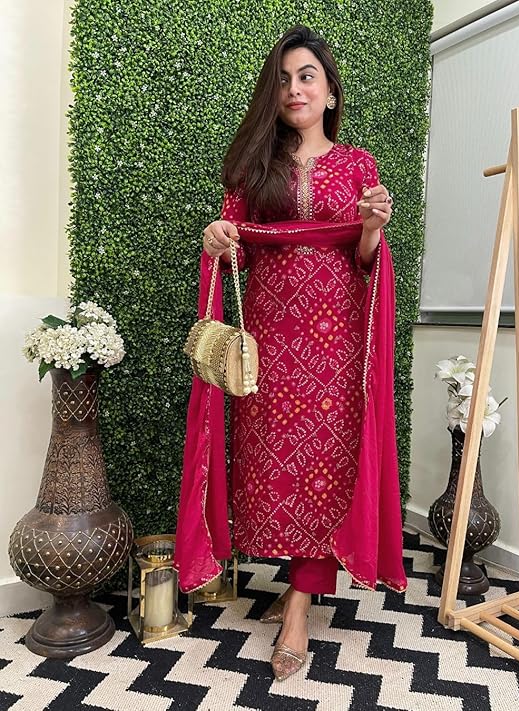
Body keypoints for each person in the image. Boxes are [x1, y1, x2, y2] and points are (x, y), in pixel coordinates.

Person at [174, 25, 407, 682]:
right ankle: (294, 582)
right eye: (283, 80)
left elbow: (364, 258)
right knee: (273, 466)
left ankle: (299, 608)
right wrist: (218, 238)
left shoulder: (358, 165)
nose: (294, 89)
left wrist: (372, 228)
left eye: (307, 76)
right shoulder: (256, 166)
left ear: (330, 92)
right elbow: (237, 251)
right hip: (269, 342)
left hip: (335, 339)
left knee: (326, 465)